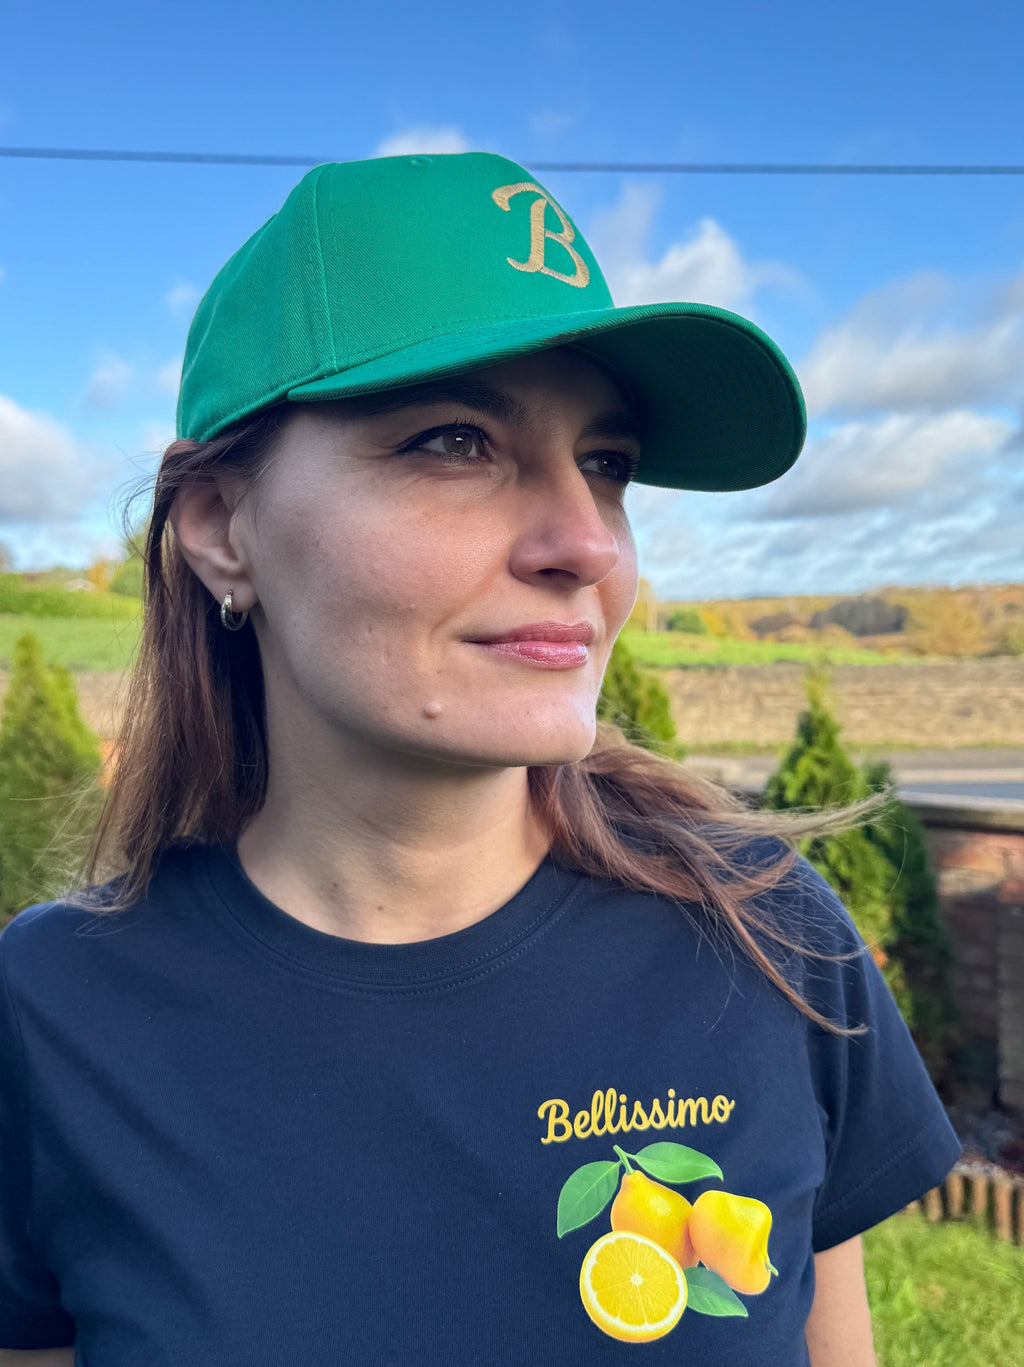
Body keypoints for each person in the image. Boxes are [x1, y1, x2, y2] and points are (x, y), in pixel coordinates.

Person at [0, 152, 959, 1367]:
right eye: (454, 440)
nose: (587, 544)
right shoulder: (50, 1013)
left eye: (605, 461)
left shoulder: (766, 936)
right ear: (219, 528)